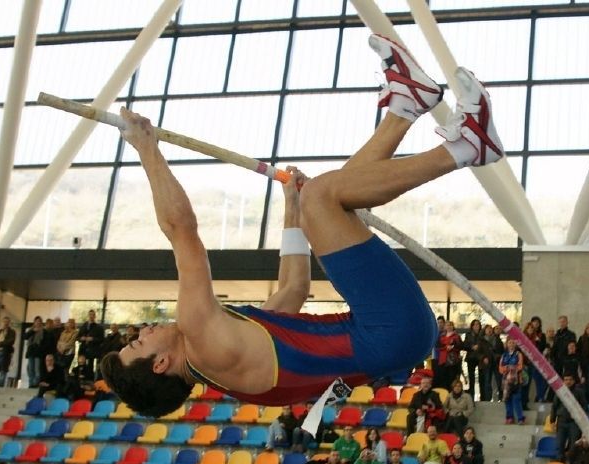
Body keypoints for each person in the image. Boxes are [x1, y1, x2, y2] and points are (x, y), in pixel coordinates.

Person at [100, 34, 504, 417]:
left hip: (397, 340)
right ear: (161, 365)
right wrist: (147, 148)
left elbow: (294, 290)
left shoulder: (227, 365)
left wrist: (293, 212)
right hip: (386, 332)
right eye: (139, 342)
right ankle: (466, 145)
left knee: (322, 201)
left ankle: (405, 109)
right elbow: (180, 229)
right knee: (323, 197)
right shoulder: (201, 337)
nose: (145, 330)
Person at [551, 373, 588, 461]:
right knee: (559, 444)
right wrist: (552, 420)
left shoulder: (579, 392)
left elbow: (585, 407)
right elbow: (554, 406)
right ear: (563, 381)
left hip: (574, 423)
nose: (568, 382)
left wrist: (578, 414)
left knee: (573, 445)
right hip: (561, 421)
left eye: (570, 379)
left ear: (574, 381)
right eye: (566, 380)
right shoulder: (559, 391)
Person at [499, 338, 525, 424]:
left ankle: (520, 418)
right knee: (507, 399)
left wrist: (511, 368)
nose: (511, 344)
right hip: (506, 381)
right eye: (509, 343)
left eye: (513, 343)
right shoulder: (504, 355)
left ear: (515, 344)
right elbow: (500, 368)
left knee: (516, 399)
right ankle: (509, 417)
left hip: (516, 380)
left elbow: (520, 366)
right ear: (506, 344)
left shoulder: (518, 354)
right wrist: (507, 368)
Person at [435, 321, 462, 391]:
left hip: (452, 361)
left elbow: (460, 346)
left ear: (453, 326)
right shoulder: (441, 336)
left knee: (452, 378)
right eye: (447, 325)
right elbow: (437, 346)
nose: (449, 327)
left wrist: (452, 347)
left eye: (450, 325)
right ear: (444, 327)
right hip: (442, 360)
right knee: (443, 378)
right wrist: (446, 347)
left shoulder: (456, 336)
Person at [461, 320, 483, 398]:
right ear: (472, 326)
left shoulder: (482, 335)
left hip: (481, 358)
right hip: (471, 357)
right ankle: (471, 396)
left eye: (478, 324)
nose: (476, 326)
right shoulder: (468, 334)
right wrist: (471, 347)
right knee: (471, 377)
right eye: (475, 324)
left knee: (482, 378)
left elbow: (485, 346)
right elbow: (464, 345)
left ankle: (482, 396)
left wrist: (479, 347)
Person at [576, 323, 589, 392]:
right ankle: (583, 396)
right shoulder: (582, 338)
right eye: (588, 328)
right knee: (582, 380)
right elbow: (577, 350)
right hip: (582, 363)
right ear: (585, 329)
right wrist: (579, 359)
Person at [0, 317, 16, 387]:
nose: (5, 323)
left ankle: (0, 384)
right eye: (4, 322)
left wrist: (0, 343)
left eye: (7, 322)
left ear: (9, 323)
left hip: (5, 352)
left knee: (3, 369)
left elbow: (11, 341)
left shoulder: (12, 332)